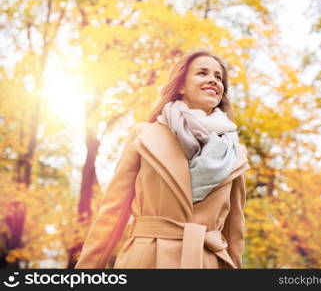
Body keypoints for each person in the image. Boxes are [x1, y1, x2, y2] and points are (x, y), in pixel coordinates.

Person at [75, 49, 250, 269]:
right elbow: (112, 214)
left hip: (207, 264)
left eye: (218, 77)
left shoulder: (235, 153)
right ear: (181, 86)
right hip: (146, 260)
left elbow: (234, 233)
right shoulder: (144, 136)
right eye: (202, 73)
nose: (213, 80)